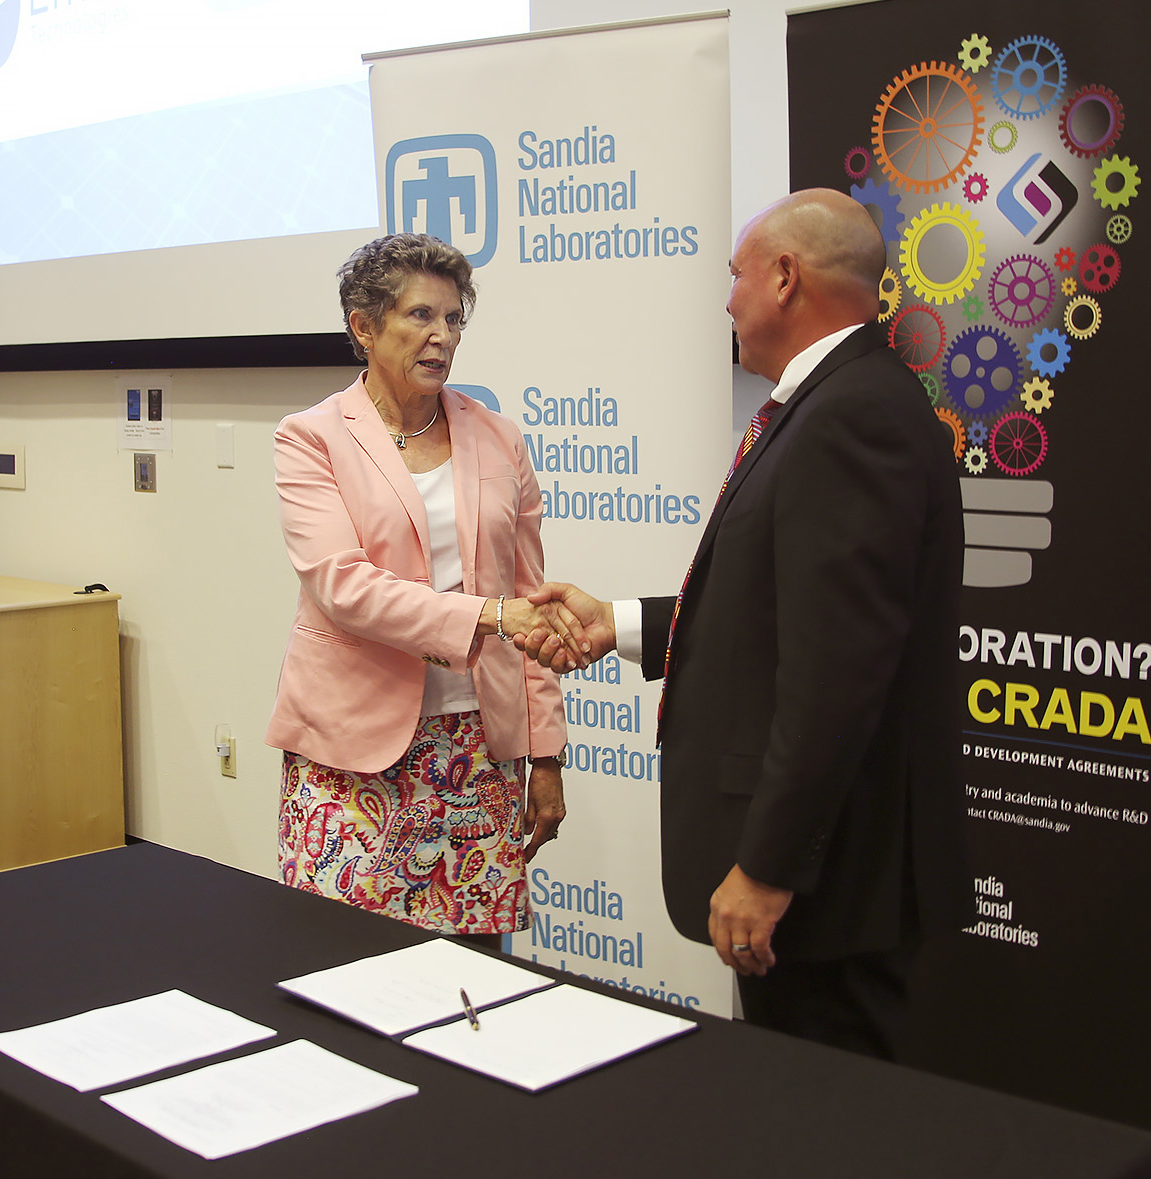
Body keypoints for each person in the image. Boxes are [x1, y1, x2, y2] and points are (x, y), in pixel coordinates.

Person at [523, 189, 966, 1058]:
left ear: (785, 277)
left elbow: (835, 678)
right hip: (830, 879)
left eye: (734, 276)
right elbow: (772, 616)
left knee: (828, 1124)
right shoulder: (841, 401)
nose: (726, 300)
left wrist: (767, 870)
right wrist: (617, 623)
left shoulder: (851, 416)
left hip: (834, 887)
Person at [267, 232, 567, 946]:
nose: (441, 337)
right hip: (350, 758)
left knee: (473, 974)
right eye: (419, 316)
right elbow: (344, 586)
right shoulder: (309, 437)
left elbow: (532, 599)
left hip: (475, 751)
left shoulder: (499, 438)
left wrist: (546, 753)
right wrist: (488, 613)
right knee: (343, 970)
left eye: (453, 318)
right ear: (363, 326)